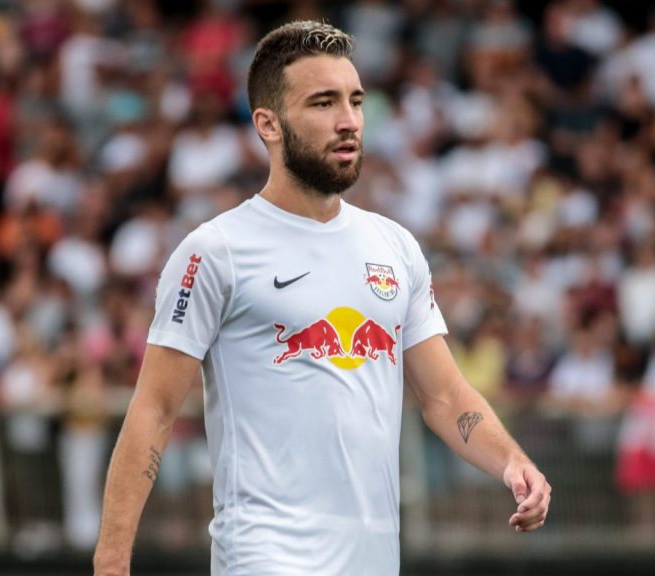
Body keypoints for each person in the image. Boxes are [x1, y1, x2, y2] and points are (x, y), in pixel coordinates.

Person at [93, 20, 550, 576]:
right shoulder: (215, 251)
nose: (349, 121)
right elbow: (154, 409)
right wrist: (112, 561)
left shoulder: (395, 246)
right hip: (265, 558)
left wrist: (512, 463)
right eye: (323, 102)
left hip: (373, 562)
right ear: (269, 124)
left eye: (356, 101)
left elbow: (445, 398)